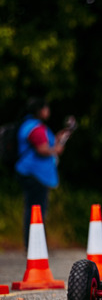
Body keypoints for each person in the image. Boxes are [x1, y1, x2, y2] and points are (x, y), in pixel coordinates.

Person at [15, 97, 70, 249]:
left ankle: (35, 244)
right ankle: (34, 245)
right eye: (46, 108)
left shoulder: (30, 125)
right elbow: (42, 149)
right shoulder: (36, 128)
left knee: (34, 209)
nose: (48, 111)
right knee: (36, 210)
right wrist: (56, 150)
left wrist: (57, 139)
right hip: (35, 174)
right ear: (40, 110)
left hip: (31, 173)